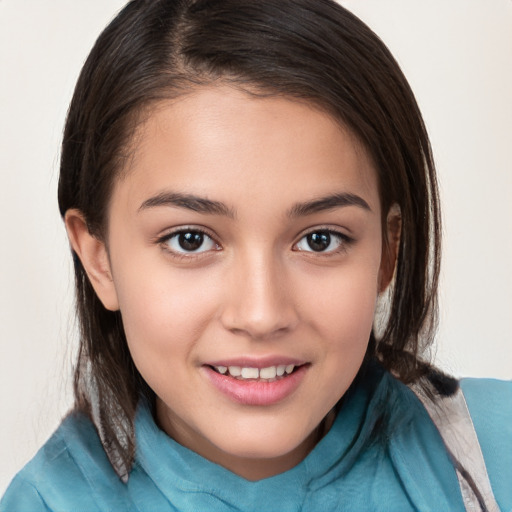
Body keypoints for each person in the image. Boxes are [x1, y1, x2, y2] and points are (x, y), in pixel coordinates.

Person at [1, 0, 510, 510]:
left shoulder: (494, 455)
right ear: (99, 259)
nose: (261, 315)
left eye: (320, 239)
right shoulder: (46, 503)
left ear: (387, 251)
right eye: (191, 240)